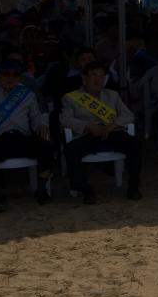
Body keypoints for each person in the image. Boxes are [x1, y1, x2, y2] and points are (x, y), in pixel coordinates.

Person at [61, 60, 142, 202]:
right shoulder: (70, 98)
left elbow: (128, 115)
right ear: (84, 77)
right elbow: (65, 119)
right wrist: (88, 126)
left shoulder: (112, 95)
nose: (98, 80)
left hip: (111, 131)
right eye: (93, 75)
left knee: (135, 144)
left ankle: (134, 187)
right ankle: (86, 190)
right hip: (88, 133)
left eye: (101, 77)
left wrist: (112, 125)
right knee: (70, 150)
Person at [0, 59, 53, 211]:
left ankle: (42, 189)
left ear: (19, 77)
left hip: (21, 138)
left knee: (47, 147)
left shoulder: (27, 94)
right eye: (6, 74)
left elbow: (35, 116)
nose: (10, 78)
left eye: (14, 74)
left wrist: (41, 124)